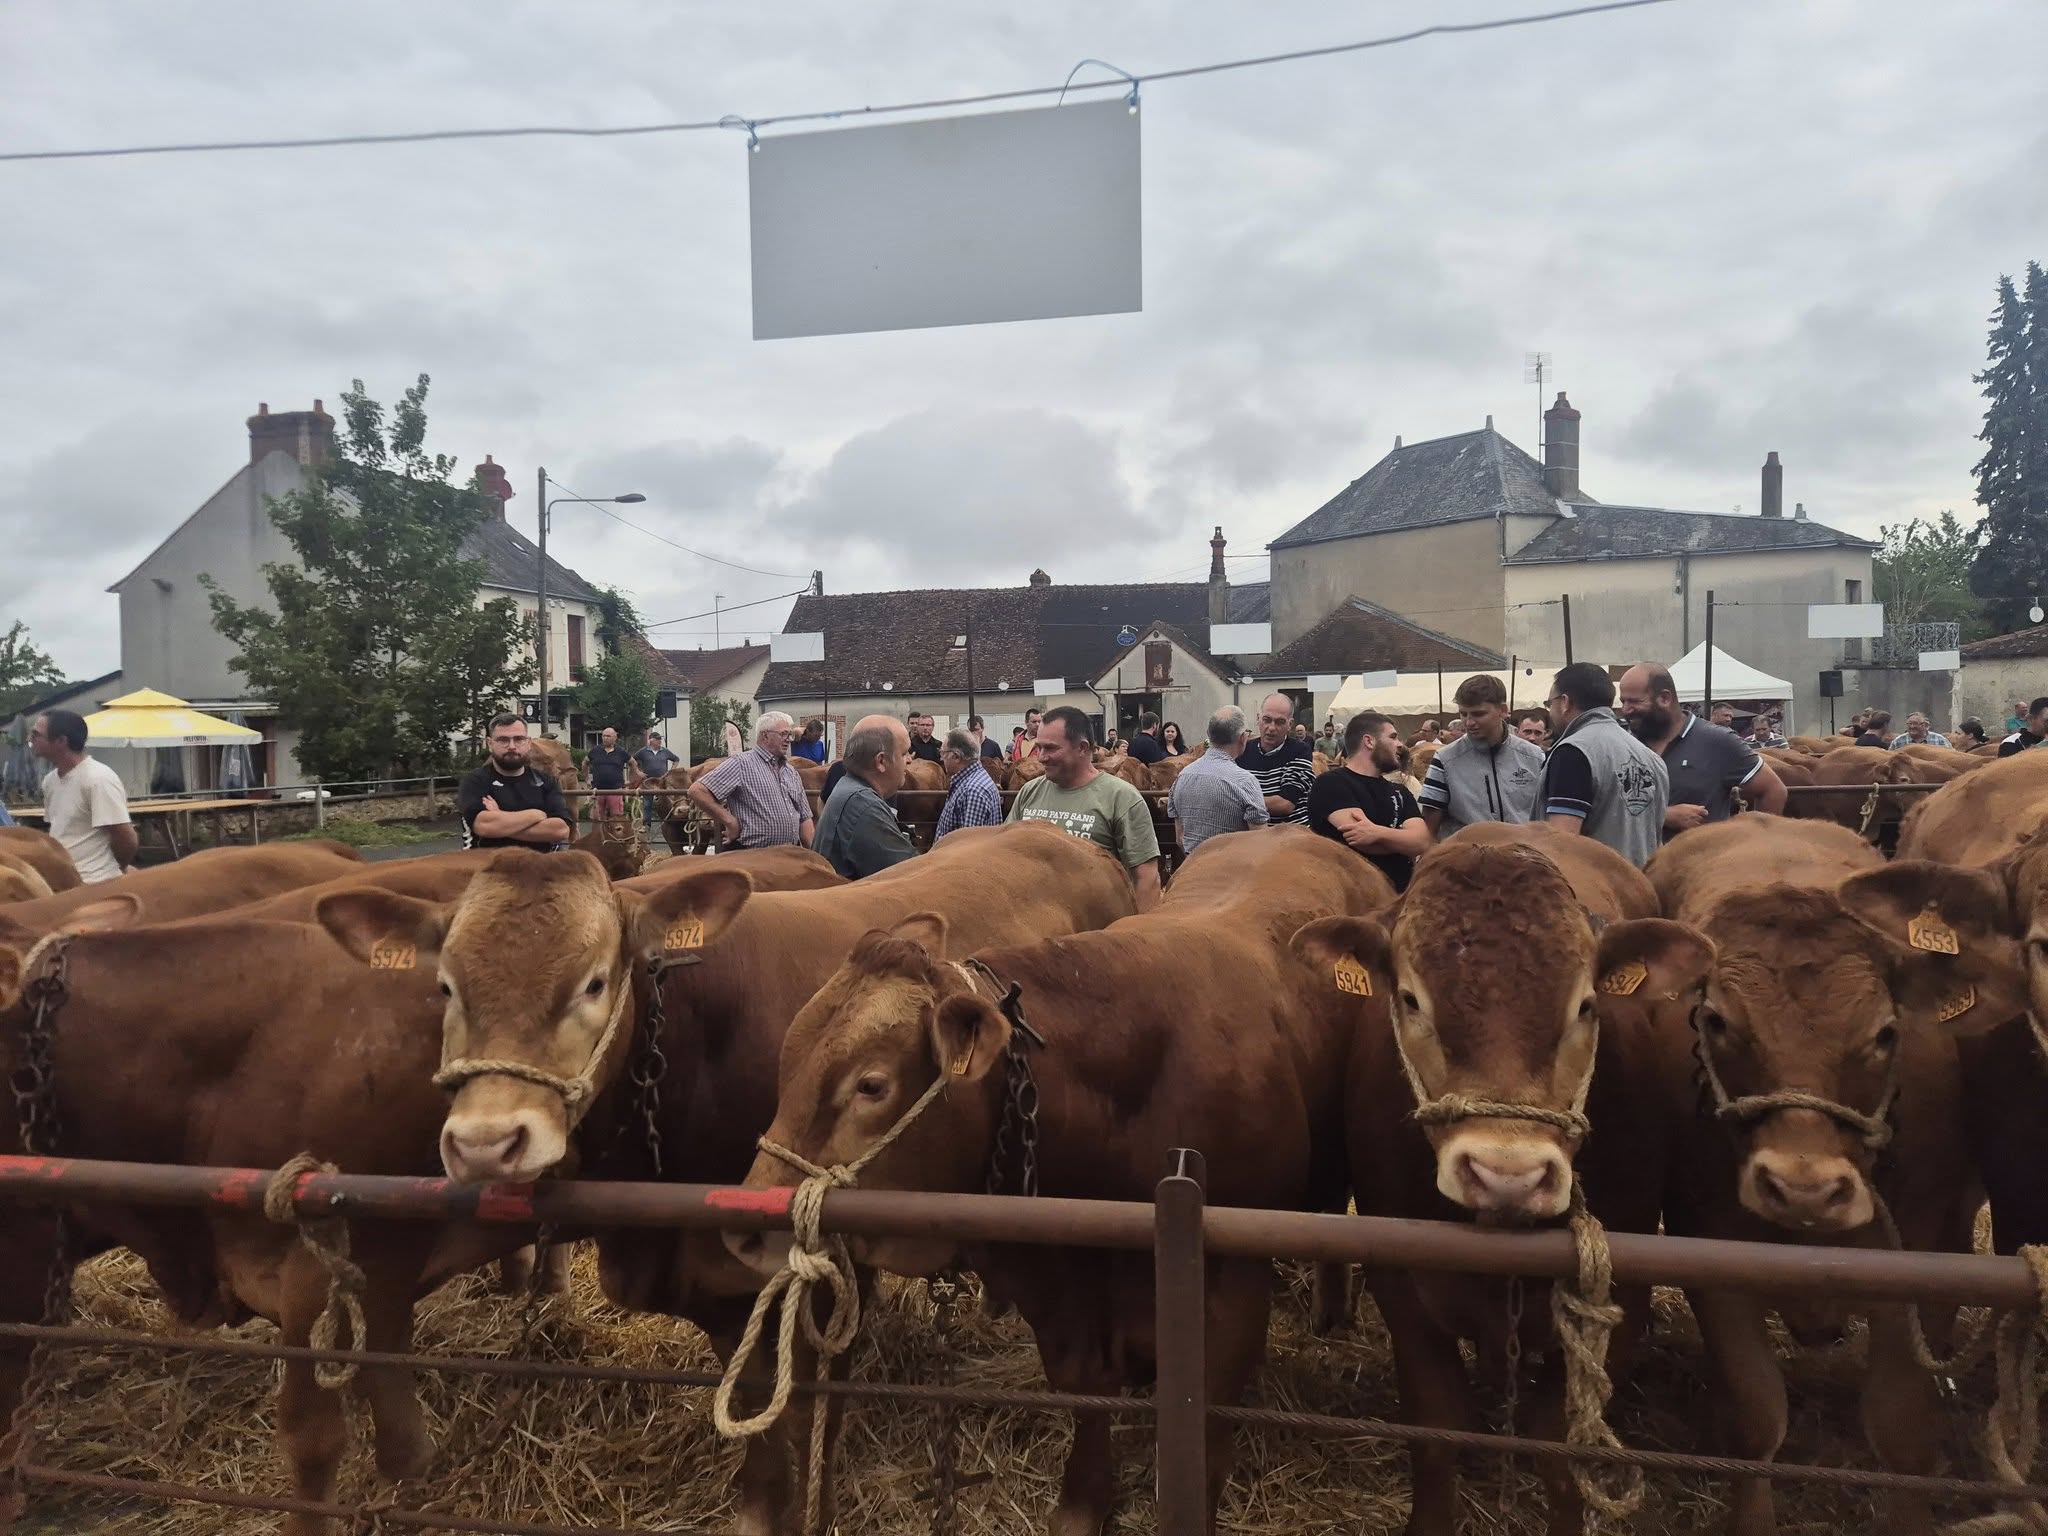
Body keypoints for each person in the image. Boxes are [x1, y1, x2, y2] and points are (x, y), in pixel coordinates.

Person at [1007, 706, 1161, 911]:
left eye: (1051, 748)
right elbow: (1006, 855)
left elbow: (1147, 878)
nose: (1041, 757)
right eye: (1039, 747)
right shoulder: (1029, 792)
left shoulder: (1121, 798)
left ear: (1082, 748)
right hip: (1033, 924)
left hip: (1094, 932)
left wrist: (1139, 936)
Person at [1618, 664, 1786, 836]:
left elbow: (1773, 790)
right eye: (1623, 701)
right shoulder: (1623, 745)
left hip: (1700, 860)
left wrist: (1755, 845)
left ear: (1665, 698)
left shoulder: (1718, 741)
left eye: (1634, 701)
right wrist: (1665, 815)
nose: (1625, 710)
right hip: (1635, 862)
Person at [1537, 662, 1668, 867]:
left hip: (1593, 892)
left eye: (1549, 703)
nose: (1550, 711)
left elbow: (1561, 843)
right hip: (1644, 890)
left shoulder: (1573, 752)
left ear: (1564, 702)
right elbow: (1655, 841)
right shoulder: (1652, 758)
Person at [1306, 711, 1429, 892]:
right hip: (1351, 901)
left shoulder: (1400, 791)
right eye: (1393, 737)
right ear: (1369, 741)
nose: (1400, 744)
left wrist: (1377, 831)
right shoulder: (1331, 783)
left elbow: (1422, 842)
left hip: (1400, 900)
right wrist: (1402, 840)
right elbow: (1366, 843)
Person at [1417, 674, 1546, 838]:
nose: (1469, 722)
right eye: (1464, 714)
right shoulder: (1444, 760)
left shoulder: (1535, 757)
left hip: (1524, 857)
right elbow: (1429, 830)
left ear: (1503, 711)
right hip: (1466, 859)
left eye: (1478, 714)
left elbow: (1548, 820)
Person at [29, 708, 136, 882]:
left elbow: (125, 837)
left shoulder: (98, 779)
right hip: (63, 880)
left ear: (61, 741)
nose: (30, 740)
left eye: (36, 735)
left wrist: (117, 869)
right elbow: (60, 832)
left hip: (94, 882)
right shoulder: (50, 781)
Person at [688, 711, 814, 849]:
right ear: (765, 735)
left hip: (789, 855)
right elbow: (697, 790)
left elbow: (805, 818)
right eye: (784, 734)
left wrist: (814, 855)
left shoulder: (791, 772)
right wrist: (729, 821)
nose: (789, 739)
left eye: (790, 734)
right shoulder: (740, 764)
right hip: (750, 856)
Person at [813, 715, 919, 879]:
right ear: (881, 761)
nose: (910, 760)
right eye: (904, 753)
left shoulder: (850, 788)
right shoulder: (863, 806)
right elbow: (911, 875)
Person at [458, 712, 573, 852]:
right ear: (490, 743)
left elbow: (559, 830)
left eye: (518, 739)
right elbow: (484, 826)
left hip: (537, 867)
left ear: (528, 743)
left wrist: (500, 819)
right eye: (503, 740)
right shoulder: (475, 781)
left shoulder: (546, 781)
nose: (512, 746)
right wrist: (536, 815)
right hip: (486, 867)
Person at [1166, 705, 1269, 855]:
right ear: (1242, 738)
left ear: (1208, 734)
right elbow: (1261, 843)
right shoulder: (1245, 782)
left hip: (1190, 870)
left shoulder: (1182, 777)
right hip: (1233, 874)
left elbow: (1180, 839)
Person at [1240, 693, 1316, 828]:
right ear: (1258, 719)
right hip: (1253, 837)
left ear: (1290, 724)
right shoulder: (1243, 750)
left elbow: (1285, 804)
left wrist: (1236, 802)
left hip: (1291, 835)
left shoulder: (1299, 751)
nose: (1272, 728)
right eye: (1267, 720)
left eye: (1280, 722)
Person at [936, 728, 1004, 840]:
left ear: (956, 756)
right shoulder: (970, 782)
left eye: (943, 753)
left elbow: (968, 845)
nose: (941, 758)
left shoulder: (973, 791)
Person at [628, 729, 679, 833]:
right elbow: (632, 760)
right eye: (657, 739)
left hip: (662, 781)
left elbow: (676, 759)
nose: (659, 741)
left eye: (660, 739)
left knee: (666, 802)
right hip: (648, 781)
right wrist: (638, 772)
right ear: (651, 740)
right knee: (647, 804)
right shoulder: (643, 751)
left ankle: (668, 823)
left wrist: (671, 771)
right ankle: (646, 825)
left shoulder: (665, 751)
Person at [584, 726, 631, 820]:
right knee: (597, 818)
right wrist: (587, 779)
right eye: (604, 736)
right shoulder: (595, 750)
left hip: (615, 789)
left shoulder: (621, 752)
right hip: (598, 790)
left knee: (617, 818)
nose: (605, 738)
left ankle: (614, 835)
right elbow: (585, 763)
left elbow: (633, 763)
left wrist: (630, 780)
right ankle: (599, 835)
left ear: (615, 738)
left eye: (608, 736)